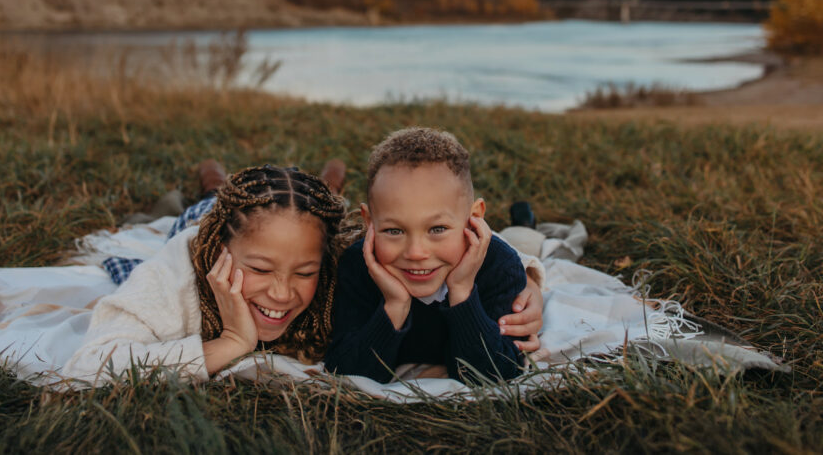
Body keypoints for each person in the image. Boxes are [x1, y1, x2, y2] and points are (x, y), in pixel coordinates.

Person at [64, 165, 348, 383]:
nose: (281, 294)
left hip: (288, 208)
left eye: (305, 272)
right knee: (214, 193)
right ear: (218, 253)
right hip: (201, 216)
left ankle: (332, 176)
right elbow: (89, 366)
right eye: (260, 269)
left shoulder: (332, 273)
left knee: (325, 197)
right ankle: (210, 171)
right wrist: (231, 342)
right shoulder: (173, 276)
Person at [324, 128, 529, 383]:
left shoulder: (500, 266)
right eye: (394, 230)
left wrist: (462, 293)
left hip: (505, 244)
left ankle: (525, 221)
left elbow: (497, 373)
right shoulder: (358, 266)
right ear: (369, 222)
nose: (415, 253)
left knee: (527, 239)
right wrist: (394, 306)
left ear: (474, 217)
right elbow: (346, 369)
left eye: (437, 229)